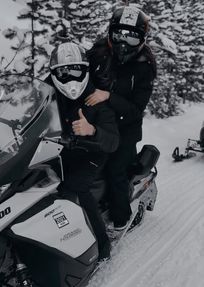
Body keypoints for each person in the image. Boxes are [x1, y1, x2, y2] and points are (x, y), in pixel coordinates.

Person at [46, 42, 119, 260]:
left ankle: (102, 244)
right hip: (56, 150)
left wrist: (92, 130)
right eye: (64, 72)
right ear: (54, 73)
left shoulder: (94, 97)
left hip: (92, 152)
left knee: (75, 187)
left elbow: (113, 140)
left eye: (76, 70)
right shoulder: (47, 91)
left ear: (85, 70)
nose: (71, 78)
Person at [86, 5, 157, 230]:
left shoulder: (144, 67)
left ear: (142, 40)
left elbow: (137, 109)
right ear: (110, 33)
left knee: (114, 171)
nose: (124, 43)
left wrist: (108, 96)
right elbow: (75, 73)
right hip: (95, 123)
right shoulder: (97, 53)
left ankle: (120, 218)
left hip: (126, 128)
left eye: (132, 37)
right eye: (119, 35)